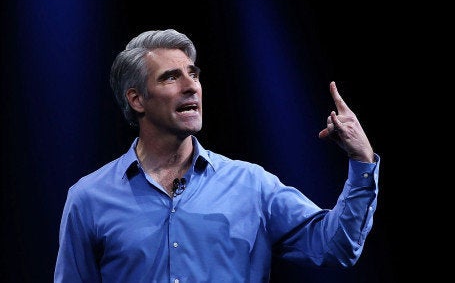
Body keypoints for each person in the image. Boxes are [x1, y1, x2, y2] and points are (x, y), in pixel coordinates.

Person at [54, 29, 380, 282]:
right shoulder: (89, 198)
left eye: (193, 74)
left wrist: (362, 162)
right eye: (171, 77)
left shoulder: (252, 186)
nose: (191, 86)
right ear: (137, 99)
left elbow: (336, 247)